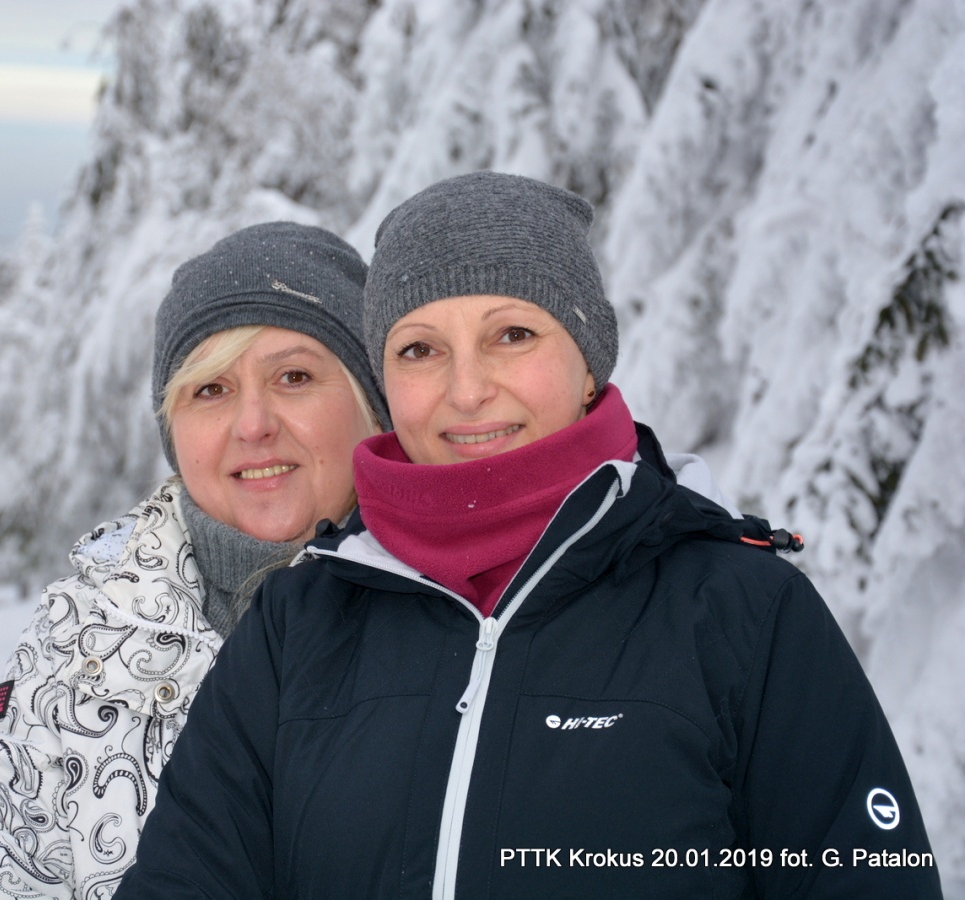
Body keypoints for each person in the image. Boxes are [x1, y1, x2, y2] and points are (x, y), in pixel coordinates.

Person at [114, 174, 943, 898]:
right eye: (419, 349)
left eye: (512, 335)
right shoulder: (301, 623)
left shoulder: (741, 612)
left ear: (589, 360)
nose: (467, 389)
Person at [0, 222, 391, 899]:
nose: (253, 424)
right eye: (210, 389)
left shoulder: (450, 622)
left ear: (373, 405)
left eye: (294, 377)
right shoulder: (81, 632)